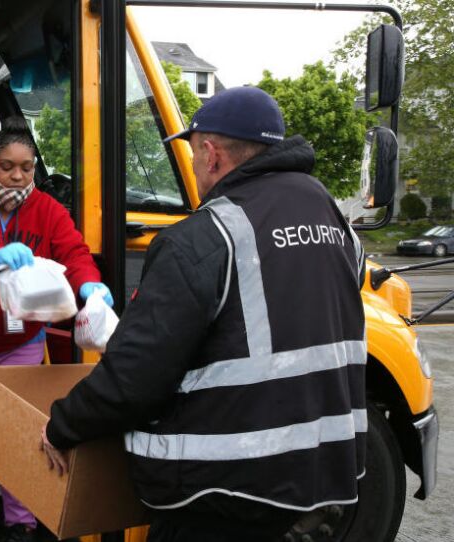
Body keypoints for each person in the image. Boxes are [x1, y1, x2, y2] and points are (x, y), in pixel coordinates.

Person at [40, 87, 367, 541]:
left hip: (221, 489)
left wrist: (61, 427)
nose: (195, 167)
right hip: (318, 471)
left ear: (211, 155)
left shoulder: (204, 237)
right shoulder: (331, 216)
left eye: (194, 156)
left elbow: (135, 378)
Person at [0, 117, 113, 542]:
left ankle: (22, 524)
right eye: (7, 165)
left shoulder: (48, 210)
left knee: (26, 434)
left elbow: (73, 250)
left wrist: (89, 283)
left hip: (21, 342)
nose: (17, 175)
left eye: (27, 167)